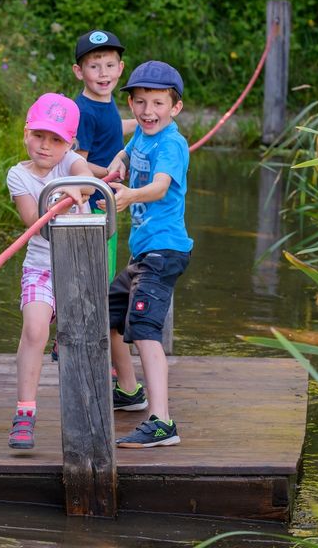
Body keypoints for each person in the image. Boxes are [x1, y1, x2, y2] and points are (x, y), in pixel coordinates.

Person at [100, 61, 193, 448]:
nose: (148, 111)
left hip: (164, 250)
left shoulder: (172, 143)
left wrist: (129, 196)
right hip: (143, 254)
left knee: (145, 331)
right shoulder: (142, 133)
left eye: (157, 103)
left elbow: (158, 186)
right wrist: (117, 164)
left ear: (176, 107)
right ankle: (129, 390)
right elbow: (128, 149)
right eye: (140, 102)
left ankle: (162, 421)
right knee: (108, 312)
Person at [6, 93, 93, 449]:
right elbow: (33, 221)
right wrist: (58, 202)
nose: (46, 146)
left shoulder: (70, 160)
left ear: (69, 142)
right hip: (42, 266)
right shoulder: (18, 175)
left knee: (86, 339)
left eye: (56, 139)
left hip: (81, 266)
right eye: (39, 135)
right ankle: (25, 412)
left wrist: (73, 188)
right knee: (34, 329)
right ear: (26, 133)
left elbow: (86, 181)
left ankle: (93, 412)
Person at [71, 29, 137, 281]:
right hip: (93, 204)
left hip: (108, 199)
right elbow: (78, 164)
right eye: (94, 66)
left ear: (120, 68)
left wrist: (142, 123)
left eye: (110, 65)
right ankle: (97, 319)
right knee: (97, 273)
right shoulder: (84, 112)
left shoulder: (104, 101)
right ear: (79, 71)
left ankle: (105, 316)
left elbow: (110, 128)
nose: (103, 73)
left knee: (107, 267)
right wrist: (113, 172)